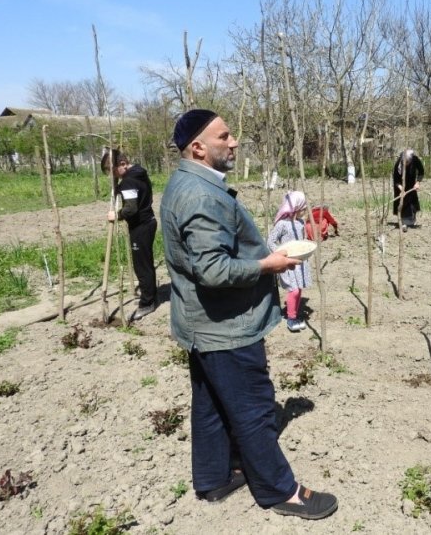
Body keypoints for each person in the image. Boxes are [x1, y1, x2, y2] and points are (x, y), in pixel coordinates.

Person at [160, 109, 338, 520]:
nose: (235, 141)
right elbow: (213, 270)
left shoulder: (186, 182)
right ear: (199, 147)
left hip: (202, 324)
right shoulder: (202, 195)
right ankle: (280, 491)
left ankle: (214, 477)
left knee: (210, 404)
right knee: (254, 408)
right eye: (225, 136)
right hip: (227, 327)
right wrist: (267, 265)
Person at [102, 148, 157, 322]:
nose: (112, 176)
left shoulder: (129, 181)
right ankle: (149, 294)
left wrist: (116, 215)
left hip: (141, 226)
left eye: (112, 172)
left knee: (142, 266)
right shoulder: (137, 173)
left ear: (123, 164)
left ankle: (148, 302)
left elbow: (131, 208)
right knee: (145, 263)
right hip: (148, 222)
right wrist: (118, 188)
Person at [268, 191, 312, 333]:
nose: (304, 211)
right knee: (293, 290)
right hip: (288, 263)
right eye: (303, 208)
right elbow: (270, 241)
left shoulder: (300, 222)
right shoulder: (282, 224)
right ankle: (291, 318)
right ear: (295, 208)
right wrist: (281, 253)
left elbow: (301, 239)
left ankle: (295, 314)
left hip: (299, 261)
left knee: (299, 289)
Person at [392, 148, 424, 231]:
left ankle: (411, 220)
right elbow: (395, 180)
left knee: (412, 202)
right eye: (404, 162)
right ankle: (403, 222)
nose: (405, 164)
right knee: (402, 202)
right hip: (400, 185)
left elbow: (421, 171)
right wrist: (401, 189)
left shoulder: (415, 159)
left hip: (411, 184)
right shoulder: (398, 165)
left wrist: (417, 182)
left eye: (407, 162)